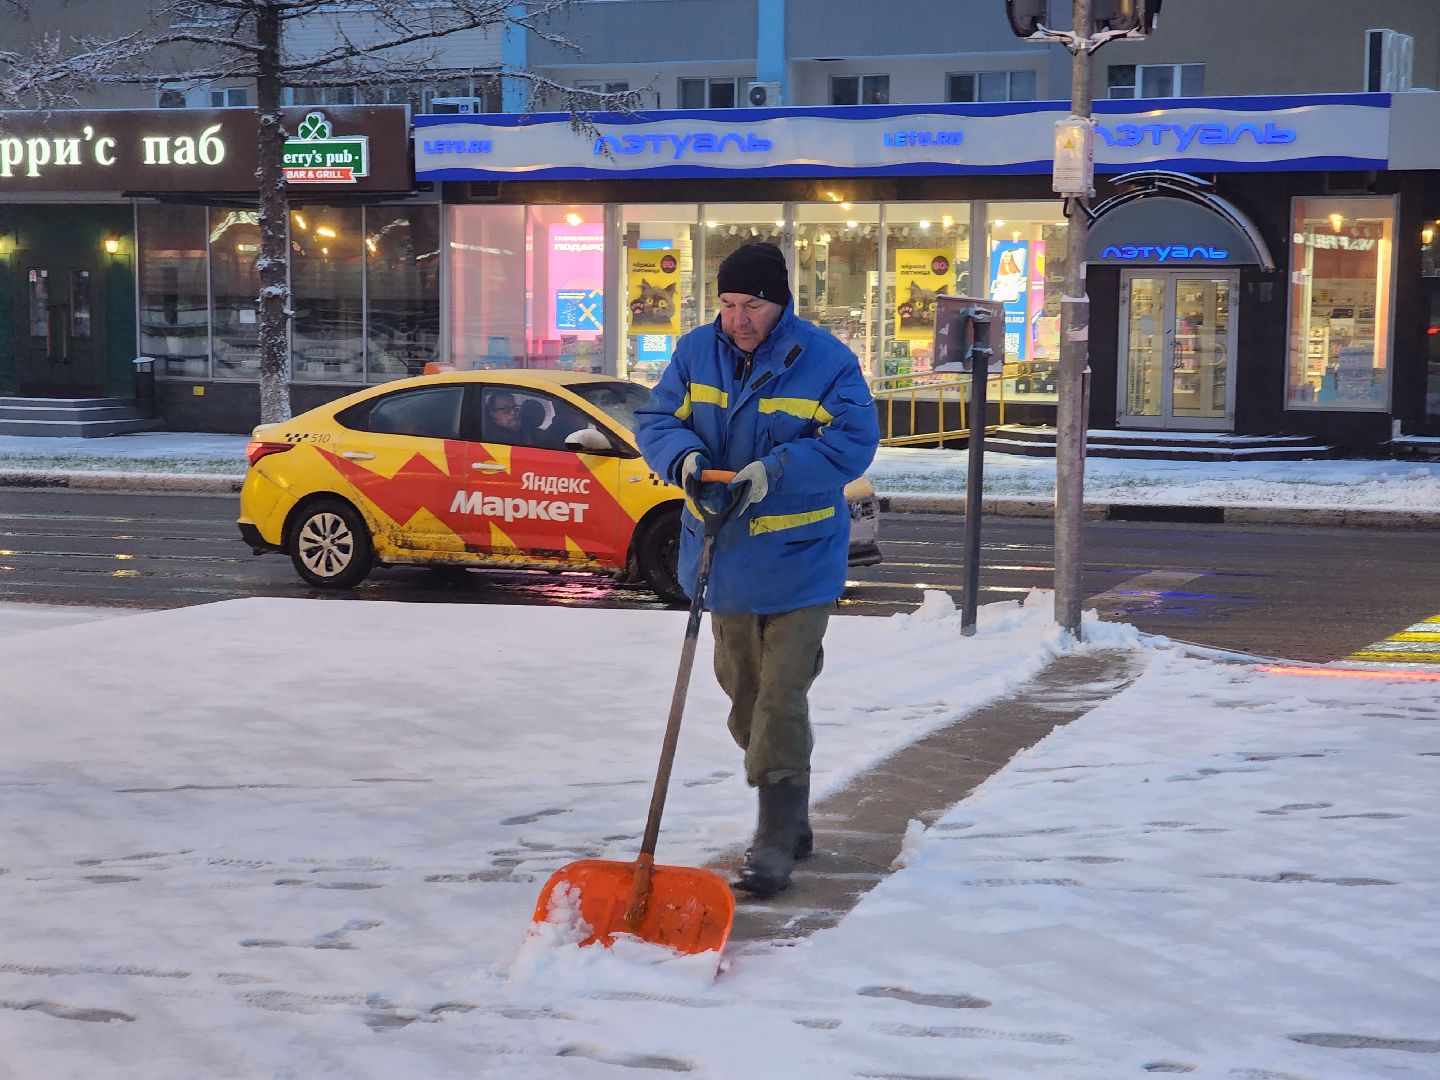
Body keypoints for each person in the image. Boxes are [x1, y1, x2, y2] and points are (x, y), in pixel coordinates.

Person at [635, 242, 880, 898]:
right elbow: (656, 419)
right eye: (729, 303)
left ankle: (773, 838)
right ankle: (792, 813)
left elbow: (852, 444)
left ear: (781, 302)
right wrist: (683, 458)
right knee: (744, 694)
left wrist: (775, 472)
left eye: (753, 305)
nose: (738, 318)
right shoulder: (694, 353)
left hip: (801, 561)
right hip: (725, 557)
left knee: (780, 694)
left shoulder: (826, 362)